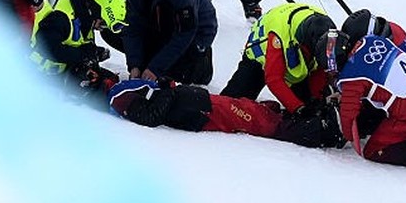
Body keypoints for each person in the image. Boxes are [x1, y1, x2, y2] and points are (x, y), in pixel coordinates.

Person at [322, 9, 406, 171]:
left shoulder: (351, 78)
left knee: (373, 150)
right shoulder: (373, 40)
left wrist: (344, 136)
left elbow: (348, 116)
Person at [106, 79, 345, 149]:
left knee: (258, 110)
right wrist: (168, 88)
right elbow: (153, 117)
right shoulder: (129, 103)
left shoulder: (139, 98)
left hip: (206, 104)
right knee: (261, 122)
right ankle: (324, 129)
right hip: (206, 111)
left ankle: (315, 116)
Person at [221, 2, 336, 115]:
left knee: (311, 105)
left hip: (298, 62)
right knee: (230, 106)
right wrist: (297, 108)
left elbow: (320, 68)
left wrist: (315, 98)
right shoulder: (279, 36)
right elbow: (274, 79)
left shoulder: (326, 30)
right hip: (259, 58)